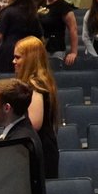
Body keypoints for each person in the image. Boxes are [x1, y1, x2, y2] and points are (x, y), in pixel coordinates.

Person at [13, 36, 61, 179]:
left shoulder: (34, 85)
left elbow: (34, 123)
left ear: (30, 59)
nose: (13, 61)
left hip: (41, 149)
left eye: (17, 57)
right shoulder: (41, 81)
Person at [0, 0, 43, 74]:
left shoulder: (7, 12)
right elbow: (40, 38)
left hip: (9, 52)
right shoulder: (32, 13)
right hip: (29, 53)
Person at [37, 0, 79, 66]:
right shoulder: (41, 3)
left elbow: (73, 29)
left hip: (55, 48)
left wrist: (73, 52)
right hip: (40, 48)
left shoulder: (63, 6)